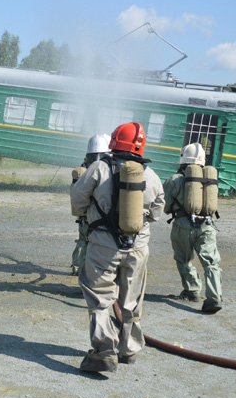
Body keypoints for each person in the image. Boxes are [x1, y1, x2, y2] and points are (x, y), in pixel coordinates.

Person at [70, 122, 165, 372]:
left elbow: (78, 198)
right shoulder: (151, 175)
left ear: (114, 142)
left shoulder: (100, 168)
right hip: (138, 246)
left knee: (100, 296)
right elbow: (157, 211)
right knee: (131, 300)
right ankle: (130, 349)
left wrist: (90, 216)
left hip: (103, 244)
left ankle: (104, 351)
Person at [163, 143, 223, 314]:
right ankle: (214, 297)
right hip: (207, 226)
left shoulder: (174, 180)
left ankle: (192, 290)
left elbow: (166, 207)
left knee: (183, 259)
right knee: (211, 263)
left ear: (183, 158)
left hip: (183, 226)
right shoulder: (209, 179)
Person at [71, 134, 111, 276]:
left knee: (82, 240)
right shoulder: (106, 168)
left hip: (84, 213)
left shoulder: (84, 166)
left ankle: (77, 266)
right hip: (99, 215)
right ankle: (90, 272)